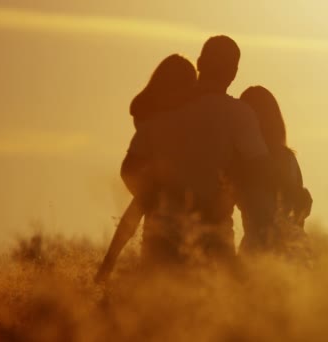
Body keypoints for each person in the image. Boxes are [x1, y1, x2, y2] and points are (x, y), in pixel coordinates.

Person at [118, 36, 277, 272]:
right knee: (209, 307)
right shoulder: (239, 114)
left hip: (159, 241)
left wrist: (159, 200)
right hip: (213, 239)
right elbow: (262, 170)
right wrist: (226, 195)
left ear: (200, 62)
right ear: (233, 73)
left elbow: (128, 170)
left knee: (155, 307)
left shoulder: (164, 109)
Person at [95, 54, 198, 282]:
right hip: (187, 240)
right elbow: (131, 182)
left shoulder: (154, 127)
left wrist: (108, 263)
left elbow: (133, 194)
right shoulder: (170, 128)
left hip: (163, 241)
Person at [236, 86, 312, 258]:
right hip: (292, 251)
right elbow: (300, 213)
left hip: (255, 252)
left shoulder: (242, 163)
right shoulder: (289, 159)